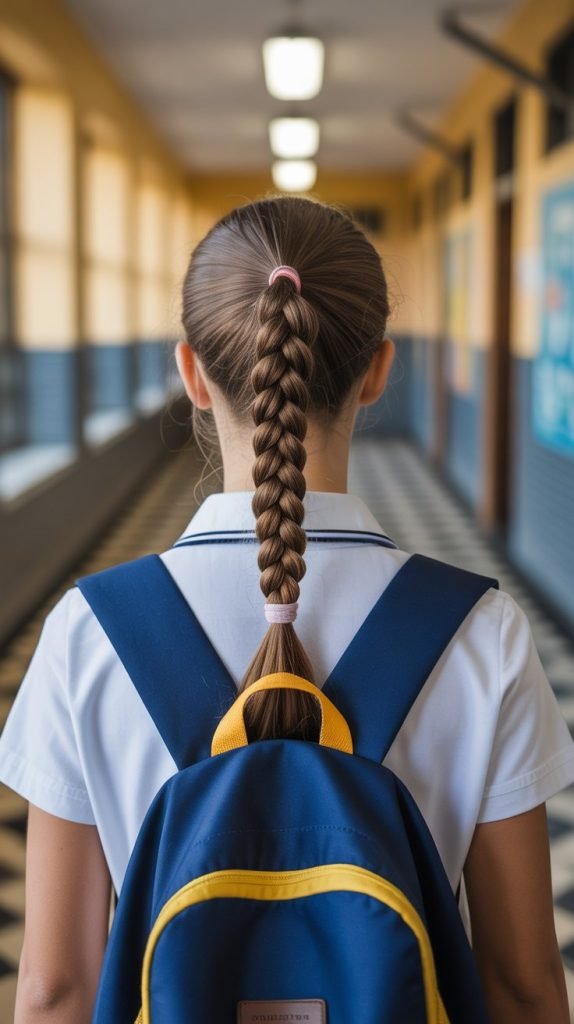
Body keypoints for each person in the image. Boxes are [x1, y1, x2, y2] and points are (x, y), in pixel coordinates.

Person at [0, 195, 572, 1024]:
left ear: (192, 374)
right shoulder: (484, 632)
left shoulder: (86, 633)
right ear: (378, 370)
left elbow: (55, 992)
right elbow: (522, 985)